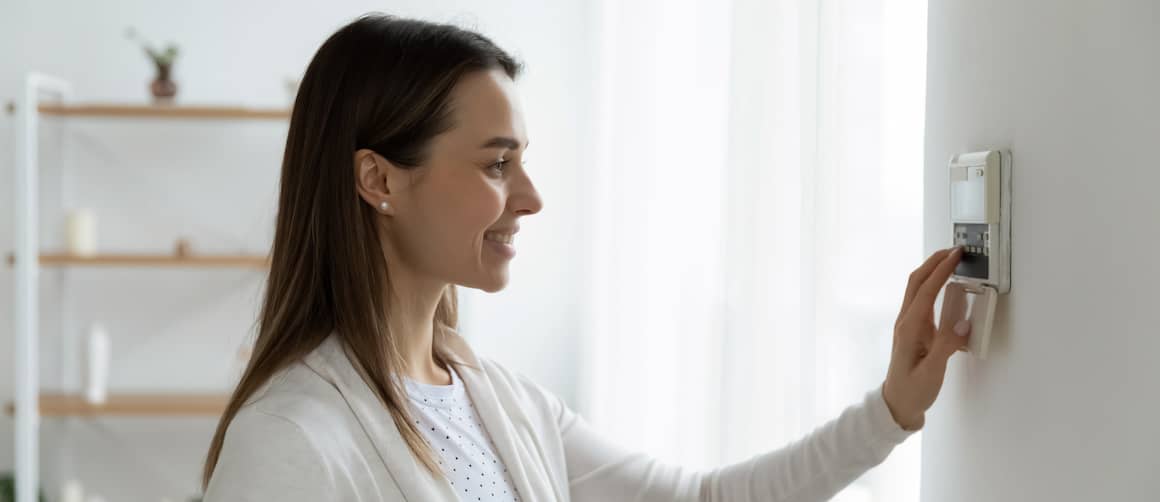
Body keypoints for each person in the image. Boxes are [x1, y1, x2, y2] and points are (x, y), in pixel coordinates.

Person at [201, 13, 971, 502]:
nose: (531, 197)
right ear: (379, 180)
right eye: (497, 164)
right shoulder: (290, 442)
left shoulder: (498, 403)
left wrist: (892, 410)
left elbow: (703, 501)